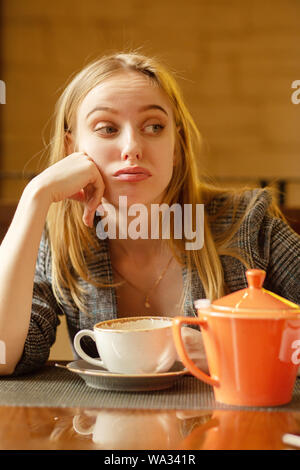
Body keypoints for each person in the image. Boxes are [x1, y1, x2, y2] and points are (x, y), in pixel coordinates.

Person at [0, 51, 299, 376]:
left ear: (176, 146)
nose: (132, 147)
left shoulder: (247, 224)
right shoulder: (62, 243)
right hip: (105, 427)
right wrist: (35, 196)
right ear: (72, 148)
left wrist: (231, 352)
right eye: (107, 128)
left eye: (154, 126)